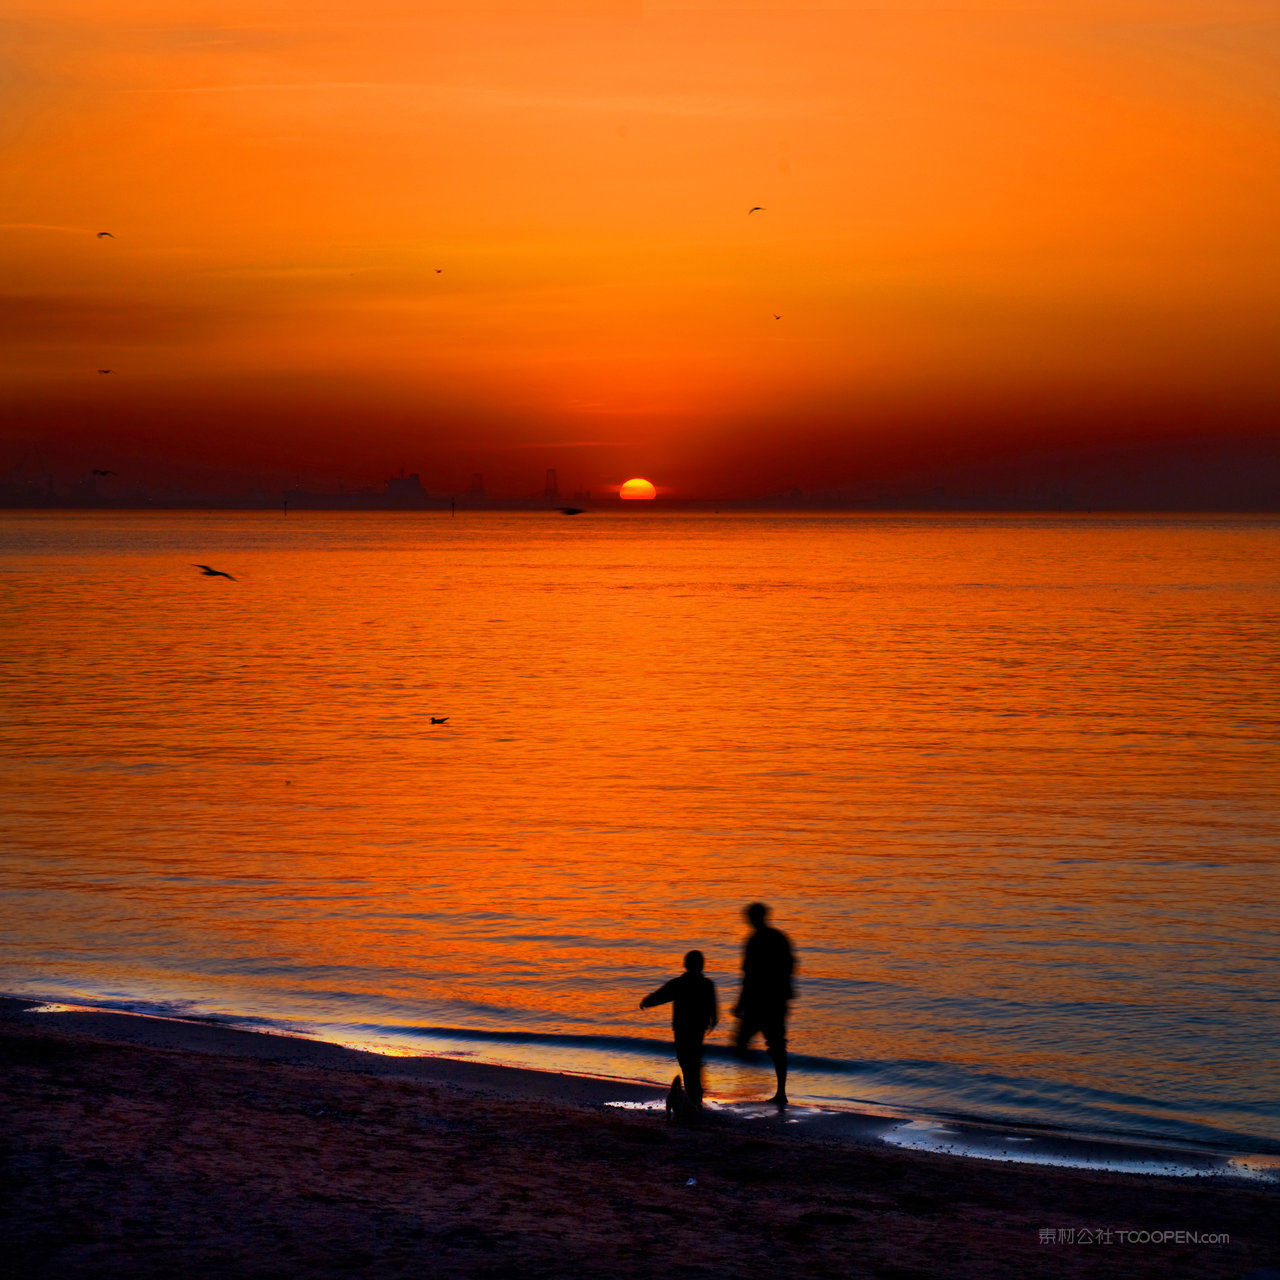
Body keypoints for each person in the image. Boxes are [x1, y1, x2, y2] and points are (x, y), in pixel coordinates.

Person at [733, 902, 795, 1107]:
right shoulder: (780, 938)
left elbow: (749, 976)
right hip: (777, 1001)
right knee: (777, 1046)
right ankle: (779, 1091)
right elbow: (790, 967)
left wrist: (741, 1003)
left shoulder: (754, 941)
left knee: (742, 1043)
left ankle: (759, 1077)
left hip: (758, 1001)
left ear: (751, 919)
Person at [639, 950, 718, 1110]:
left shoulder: (680, 983)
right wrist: (713, 1020)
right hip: (697, 1029)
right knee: (692, 1061)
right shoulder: (706, 984)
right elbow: (713, 1007)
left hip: (683, 1028)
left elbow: (662, 995)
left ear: (686, 965)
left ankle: (694, 1097)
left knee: (687, 1061)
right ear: (701, 965)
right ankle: (695, 1096)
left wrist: (647, 1001)